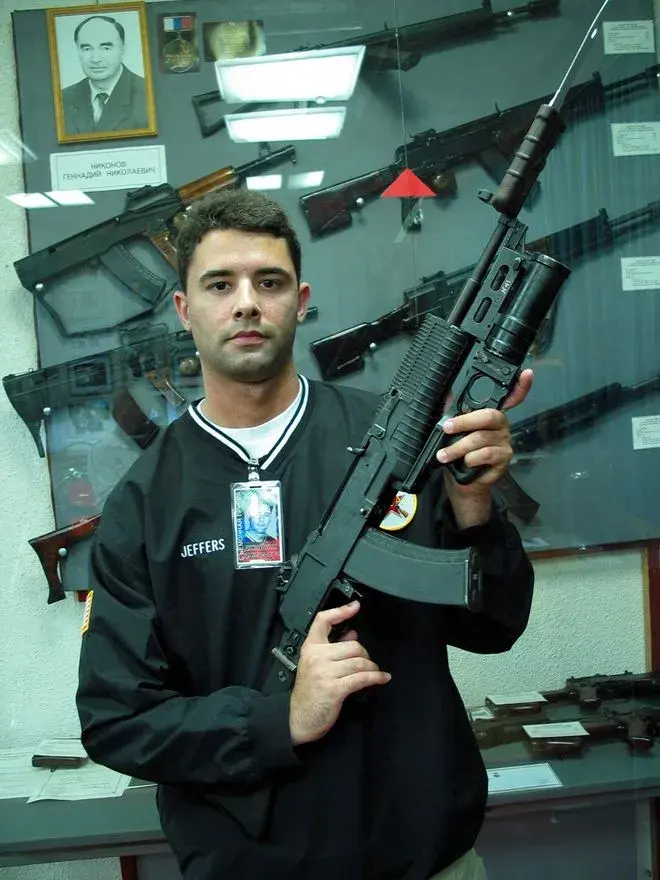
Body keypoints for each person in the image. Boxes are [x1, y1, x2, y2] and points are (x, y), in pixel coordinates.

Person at [76, 189, 535, 880]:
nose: (246, 304)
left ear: (301, 300)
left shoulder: (398, 444)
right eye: (220, 285)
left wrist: (473, 503)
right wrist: (279, 720)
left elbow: (494, 626)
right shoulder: (143, 504)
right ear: (184, 309)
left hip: (426, 862)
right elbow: (117, 720)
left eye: (270, 282)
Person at [61, 15, 148, 135]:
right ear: (77, 50)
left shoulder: (148, 94)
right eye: (87, 49)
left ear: (123, 49)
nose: (95, 59)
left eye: (106, 48)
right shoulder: (62, 100)